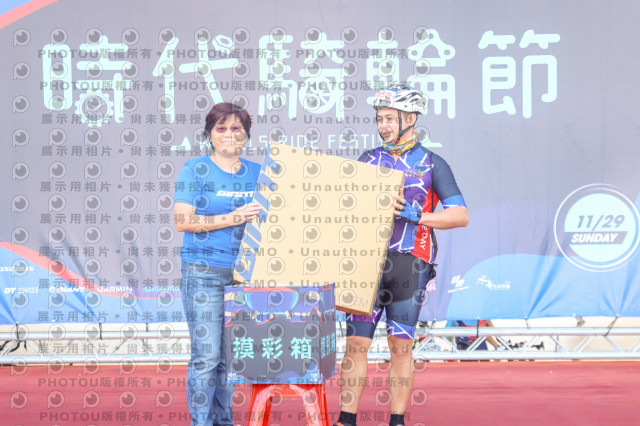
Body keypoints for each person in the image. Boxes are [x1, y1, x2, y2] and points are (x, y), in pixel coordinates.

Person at [334, 85, 469, 426]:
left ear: (410, 119)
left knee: (401, 346)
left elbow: (460, 215)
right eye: (380, 119)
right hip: (366, 264)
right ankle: (346, 420)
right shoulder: (368, 159)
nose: (383, 126)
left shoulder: (431, 163)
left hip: (409, 264)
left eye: (390, 119)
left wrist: (419, 216)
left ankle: (396, 421)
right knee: (355, 344)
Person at [174, 102, 261, 426]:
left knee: (228, 360)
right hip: (204, 272)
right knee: (206, 357)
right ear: (209, 134)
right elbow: (182, 220)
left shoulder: (257, 173)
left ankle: (224, 422)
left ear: (246, 134)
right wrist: (233, 217)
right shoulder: (194, 169)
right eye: (221, 128)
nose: (229, 134)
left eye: (236, 128)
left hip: (242, 276)